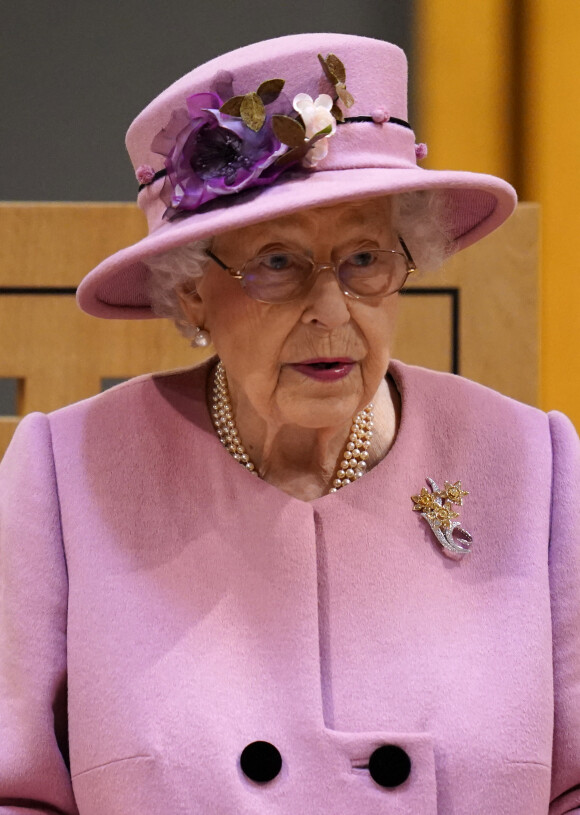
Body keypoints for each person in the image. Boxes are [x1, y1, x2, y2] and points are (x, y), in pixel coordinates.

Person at [0, 31, 578, 815]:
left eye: (367, 259)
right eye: (277, 263)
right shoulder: (68, 474)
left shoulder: (536, 464)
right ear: (193, 292)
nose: (333, 311)